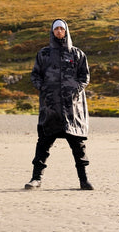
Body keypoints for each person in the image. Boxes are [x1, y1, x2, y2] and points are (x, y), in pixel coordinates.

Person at [24, 18, 93, 190]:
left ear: (66, 31)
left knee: (78, 145)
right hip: (51, 108)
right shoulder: (44, 54)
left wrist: (76, 89)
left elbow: (85, 77)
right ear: (52, 32)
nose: (59, 31)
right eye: (57, 29)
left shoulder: (77, 54)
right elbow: (35, 75)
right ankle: (36, 179)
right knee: (44, 143)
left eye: (62, 29)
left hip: (72, 109)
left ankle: (84, 180)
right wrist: (44, 89)